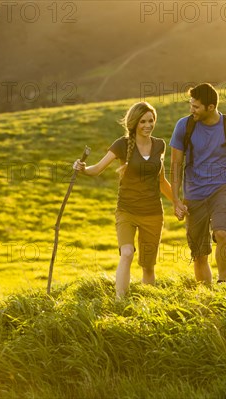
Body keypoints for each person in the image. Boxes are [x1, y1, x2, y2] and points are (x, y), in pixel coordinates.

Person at [73, 102, 179, 298]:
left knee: (148, 266)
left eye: (151, 120)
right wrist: (83, 169)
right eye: (143, 121)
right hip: (127, 210)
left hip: (153, 213)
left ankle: (148, 304)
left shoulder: (159, 145)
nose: (148, 125)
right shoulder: (122, 144)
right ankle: (120, 302)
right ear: (134, 123)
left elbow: (162, 181)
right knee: (127, 253)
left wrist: (178, 203)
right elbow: (97, 168)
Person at [170, 83, 226, 284]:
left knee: (222, 233)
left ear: (211, 107)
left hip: (221, 189)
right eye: (191, 105)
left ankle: (222, 282)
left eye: (196, 107)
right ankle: (207, 295)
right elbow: (175, 165)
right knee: (199, 253)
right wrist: (176, 200)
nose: (192, 110)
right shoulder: (184, 126)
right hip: (194, 194)